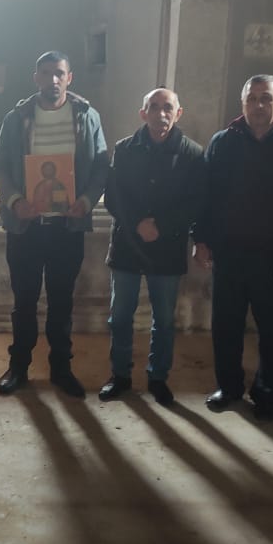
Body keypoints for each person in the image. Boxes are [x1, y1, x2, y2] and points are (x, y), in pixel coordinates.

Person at [193, 74, 273, 420]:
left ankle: (267, 393)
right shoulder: (223, 142)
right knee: (226, 327)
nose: (258, 105)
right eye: (252, 99)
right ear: (243, 104)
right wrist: (201, 239)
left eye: (266, 98)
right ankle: (229, 387)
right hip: (230, 254)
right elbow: (205, 196)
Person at [0, 51, 109, 398]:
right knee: (24, 301)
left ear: (69, 77)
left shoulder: (87, 117)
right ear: (36, 78)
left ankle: (61, 368)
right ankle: (18, 367)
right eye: (46, 73)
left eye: (59, 73)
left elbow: (101, 166)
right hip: (26, 227)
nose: (53, 80)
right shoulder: (17, 118)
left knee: (61, 301)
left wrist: (86, 201)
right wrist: (16, 202)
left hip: (66, 229)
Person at [101, 87, 205, 406]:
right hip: (128, 244)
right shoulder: (124, 149)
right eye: (154, 107)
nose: (161, 113)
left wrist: (161, 226)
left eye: (168, 107)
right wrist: (137, 224)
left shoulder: (192, 153)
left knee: (164, 320)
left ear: (178, 113)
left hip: (167, 247)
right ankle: (120, 375)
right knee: (120, 317)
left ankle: (158, 377)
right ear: (143, 113)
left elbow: (195, 202)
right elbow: (114, 195)